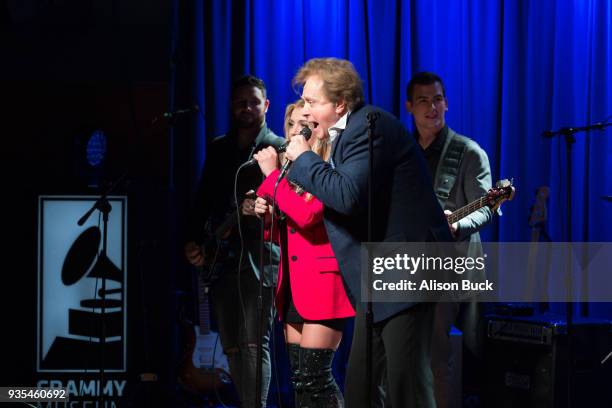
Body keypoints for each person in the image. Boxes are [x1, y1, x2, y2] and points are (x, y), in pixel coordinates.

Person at [283, 57, 453, 408]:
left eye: (312, 102)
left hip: (407, 270)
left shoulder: (365, 126)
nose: (306, 110)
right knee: (361, 382)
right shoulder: (346, 132)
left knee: (407, 386)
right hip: (379, 274)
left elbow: (347, 196)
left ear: (340, 103)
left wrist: (303, 159)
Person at [183, 75, 284, 407]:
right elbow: (201, 202)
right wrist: (194, 242)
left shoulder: (278, 149)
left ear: (266, 105)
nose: (247, 107)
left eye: (254, 101)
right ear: (231, 106)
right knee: (232, 346)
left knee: (255, 343)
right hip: (221, 260)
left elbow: (289, 209)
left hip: (260, 259)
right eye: (240, 102)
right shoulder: (218, 148)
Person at [251, 99, 355, 407]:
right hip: (294, 284)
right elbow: (282, 233)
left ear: (319, 130)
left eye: (304, 125)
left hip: (324, 285)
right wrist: (266, 216)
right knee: (299, 380)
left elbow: (309, 218)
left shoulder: (330, 168)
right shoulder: (288, 175)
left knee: (316, 377)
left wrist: (270, 177)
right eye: (292, 125)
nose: (297, 131)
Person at [405, 71, 493, 408]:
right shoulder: (401, 151)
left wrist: (458, 225)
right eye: (424, 100)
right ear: (410, 106)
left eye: (437, 99)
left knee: (436, 356)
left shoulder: (469, 152)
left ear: (447, 103)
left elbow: (486, 207)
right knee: (399, 356)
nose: (432, 107)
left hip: (450, 267)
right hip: (405, 265)